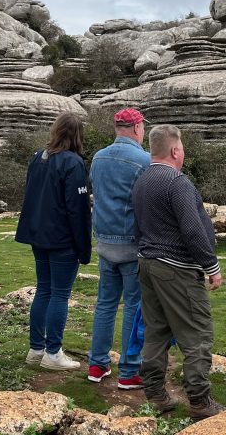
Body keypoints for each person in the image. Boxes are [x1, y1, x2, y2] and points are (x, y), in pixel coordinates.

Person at [133, 124, 225, 420]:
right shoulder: (177, 182)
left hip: (147, 264)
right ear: (175, 150)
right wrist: (211, 266)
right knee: (197, 333)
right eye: (182, 148)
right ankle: (199, 401)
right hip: (177, 269)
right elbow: (192, 229)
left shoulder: (142, 180)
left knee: (156, 331)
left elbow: (138, 224)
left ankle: (155, 395)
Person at [15, 112, 92, 371]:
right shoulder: (73, 162)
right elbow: (78, 210)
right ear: (77, 134)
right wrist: (84, 248)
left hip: (39, 235)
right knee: (60, 293)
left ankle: (36, 349)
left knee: (44, 290)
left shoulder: (39, 157)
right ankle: (53, 353)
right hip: (62, 239)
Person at [86, 108, 152, 389]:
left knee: (105, 304)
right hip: (131, 245)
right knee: (133, 308)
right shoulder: (144, 160)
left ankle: (97, 364)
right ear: (137, 128)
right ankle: (129, 371)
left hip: (105, 242)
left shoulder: (98, 158)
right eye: (143, 127)